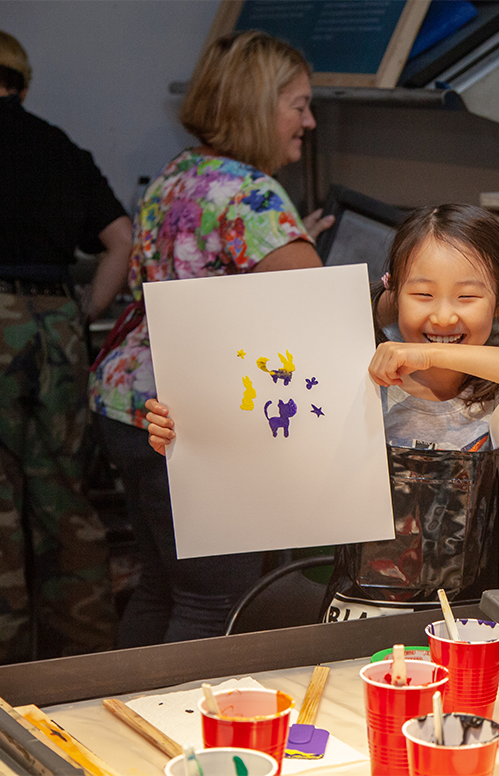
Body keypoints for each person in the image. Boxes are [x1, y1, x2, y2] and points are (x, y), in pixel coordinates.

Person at [146, 204, 499, 619]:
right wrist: (187, 437)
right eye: (422, 294)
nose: (443, 315)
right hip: (350, 620)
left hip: (459, 630)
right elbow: (262, 444)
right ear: (395, 294)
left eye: (466, 296)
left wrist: (426, 355)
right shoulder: (351, 385)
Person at [88, 30, 334, 646]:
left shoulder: (182, 172)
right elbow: (322, 315)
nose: (308, 121)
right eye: (298, 104)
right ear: (259, 105)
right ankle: (179, 736)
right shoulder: (252, 196)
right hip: (194, 418)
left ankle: (122, 726)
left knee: (162, 588)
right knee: (213, 604)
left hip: (128, 400)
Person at [0, 29, 131, 663]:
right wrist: (83, 312)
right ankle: (82, 662)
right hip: (54, 327)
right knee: (62, 494)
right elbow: (119, 239)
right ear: (21, 82)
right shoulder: (59, 148)